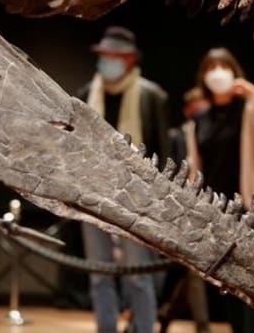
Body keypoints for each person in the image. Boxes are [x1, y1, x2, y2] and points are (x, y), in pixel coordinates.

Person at [183, 47, 254, 333]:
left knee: (253, 286)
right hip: (216, 213)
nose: (217, 73)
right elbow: (196, 171)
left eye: (223, 66)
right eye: (211, 67)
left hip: (250, 210)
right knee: (227, 285)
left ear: (234, 72)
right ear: (203, 76)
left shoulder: (250, 110)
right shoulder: (198, 121)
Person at [76, 26, 171, 333]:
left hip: (138, 198)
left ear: (130, 59)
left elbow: (165, 153)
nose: (108, 61)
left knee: (138, 273)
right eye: (104, 56)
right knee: (99, 272)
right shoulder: (84, 95)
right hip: (93, 194)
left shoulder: (151, 96)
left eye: (114, 56)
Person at [157, 88, 211, 333]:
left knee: (192, 271)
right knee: (191, 270)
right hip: (182, 210)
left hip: (208, 208)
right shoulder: (176, 136)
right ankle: (202, 326)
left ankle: (166, 313)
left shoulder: (211, 133)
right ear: (188, 110)